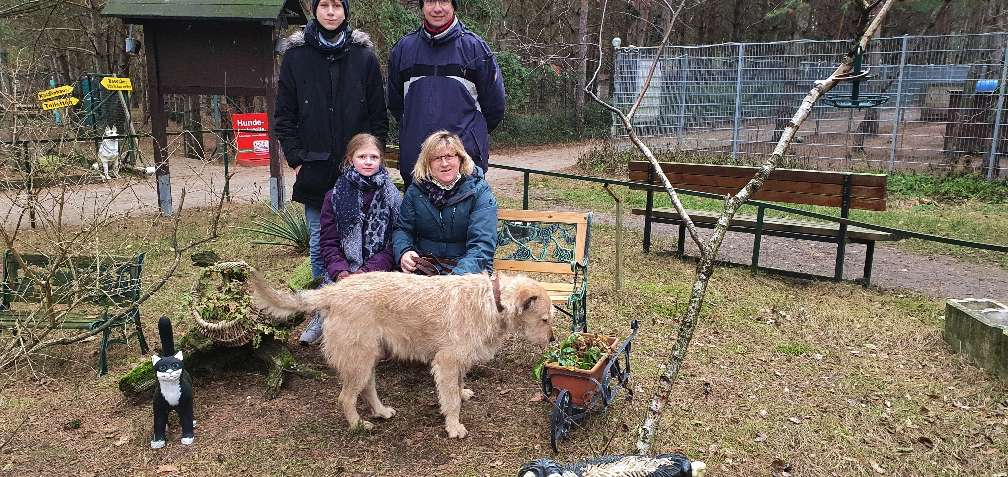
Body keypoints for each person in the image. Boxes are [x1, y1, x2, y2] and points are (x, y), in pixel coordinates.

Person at [272, 0, 388, 343]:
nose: (331, 11)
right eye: (324, 4)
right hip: (316, 169)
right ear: (315, 10)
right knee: (320, 243)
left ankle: (363, 316)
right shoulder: (296, 57)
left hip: (358, 170)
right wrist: (297, 159)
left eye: (338, 5)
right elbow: (284, 116)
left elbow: (379, 116)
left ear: (345, 11)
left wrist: (371, 155)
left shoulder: (364, 57)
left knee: (366, 243)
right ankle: (323, 314)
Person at [387, 0, 506, 190]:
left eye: (443, 1)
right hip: (417, 165)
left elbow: (494, 108)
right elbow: (396, 105)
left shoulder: (475, 48)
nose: (437, 8)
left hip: (464, 166)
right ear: (422, 5)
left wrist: (470, 139)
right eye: (430, 1)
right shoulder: (403, 49)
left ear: (453, 5)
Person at [296, 134, 402, 344]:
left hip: (380, 270)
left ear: (381, 160)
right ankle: (322, 318)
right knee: (339, 308)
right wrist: (341, 272)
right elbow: (328, 242)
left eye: (374, 157)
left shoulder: (393, 196)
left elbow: (396, 241)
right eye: (362, 156)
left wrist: (366, 272)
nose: (368, 162)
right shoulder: (334, 195)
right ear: (350, 159)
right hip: (344, 269)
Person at [393, 131, 497, 276]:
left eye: (449, 156)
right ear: (427, 163)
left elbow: (482, 245)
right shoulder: (415, 190)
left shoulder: (479, 191)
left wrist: (455, 279)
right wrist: (404, 252)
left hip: (466, 271)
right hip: (424, 268)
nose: (444, 163)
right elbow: (403, 229)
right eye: (436, 158)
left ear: (460, 158)